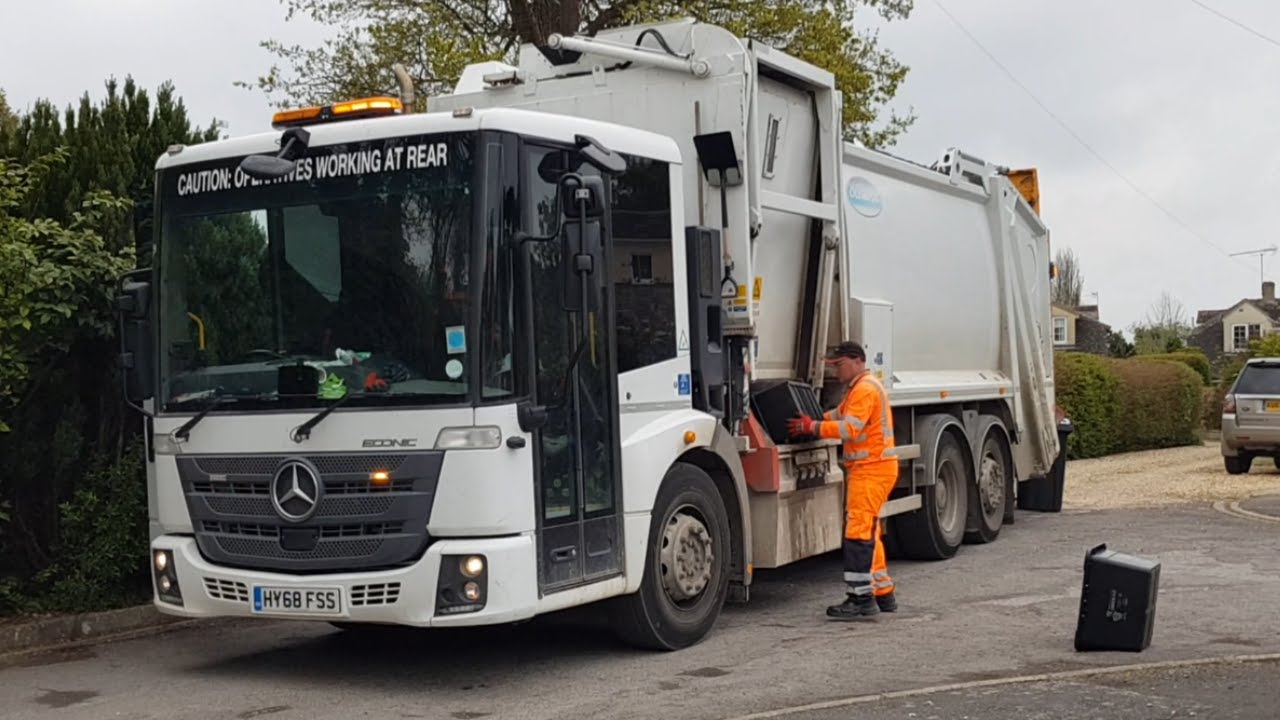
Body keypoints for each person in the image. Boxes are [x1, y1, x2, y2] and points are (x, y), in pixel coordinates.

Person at [787, 341, 899, 620]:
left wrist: (811, 427)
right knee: (869, 531)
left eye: (839, 365)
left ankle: (860, 598)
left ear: (857, 361)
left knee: (858, 531)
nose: (835, 371)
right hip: (874, 467)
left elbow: (850, 428)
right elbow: (838, 416)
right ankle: (883, 593)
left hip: (871, 469)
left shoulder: (864, 389)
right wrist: (814, 421)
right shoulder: (860, 388)